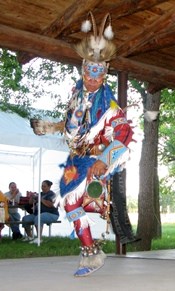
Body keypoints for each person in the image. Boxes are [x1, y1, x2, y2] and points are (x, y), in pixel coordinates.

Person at [30, 12, 136, 276]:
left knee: (81, 201)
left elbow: (123, 133)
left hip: (95, 161)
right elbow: (72, 129)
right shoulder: (76, 97)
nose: (92, 78)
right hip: (75, 161)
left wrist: (104, 160)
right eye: (89, 72)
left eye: (98, 74)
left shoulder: (110, 107)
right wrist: (50, 126)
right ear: (82, 70)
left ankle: (91, 251)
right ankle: (90, 252)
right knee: (69, 203)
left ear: (104, 75)